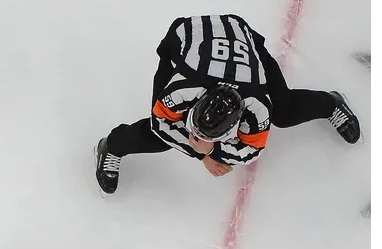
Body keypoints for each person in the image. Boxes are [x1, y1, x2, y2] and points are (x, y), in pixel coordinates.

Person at [95, 14, 363, 194]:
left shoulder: (257, 107)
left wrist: (209, 151)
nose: (194, 137)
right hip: (188, 36)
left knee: (284, 111)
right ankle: (112, 146)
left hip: (244, 40)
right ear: (195, 101)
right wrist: (203, 154)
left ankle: (331, 103)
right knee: (159, 134)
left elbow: (250, 152)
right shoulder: (183, 89)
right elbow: (160, 124)